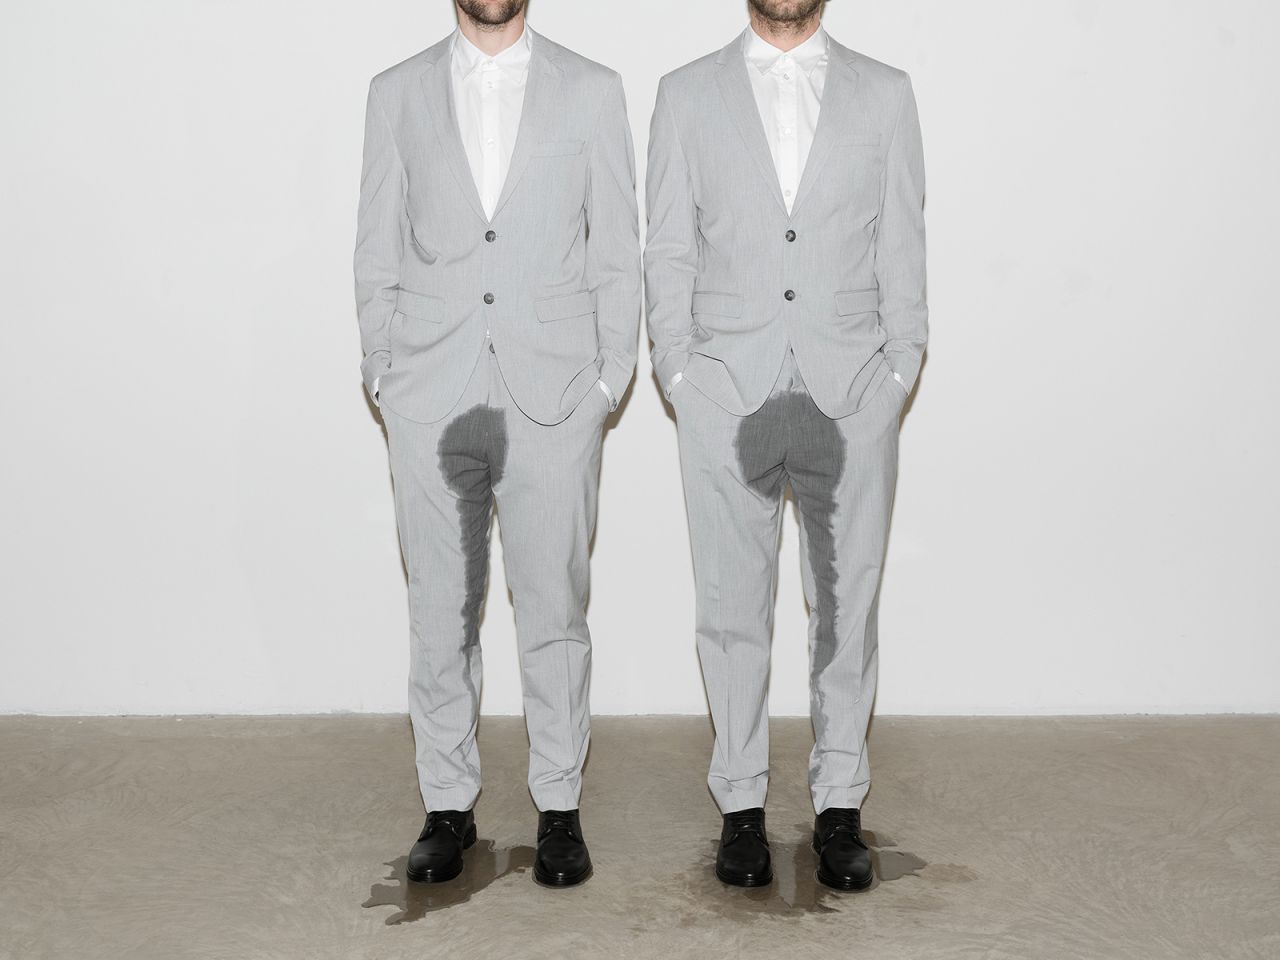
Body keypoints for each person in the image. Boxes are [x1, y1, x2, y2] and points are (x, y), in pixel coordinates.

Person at [354, 0, 640, 888]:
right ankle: (448, 805)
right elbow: (376, 249)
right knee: (441, 608)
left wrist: (607, 382)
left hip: (554, 394)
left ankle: (559, 805)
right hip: (430, 395)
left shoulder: (592, 90)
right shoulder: (396, 93)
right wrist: (383, 373)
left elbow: (616, 251)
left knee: (554, 609)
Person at [644, 0, 927, 890]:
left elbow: (903, 241)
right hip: (727, 392)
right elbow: (669, 247)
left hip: (852, 393)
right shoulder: (686, 95)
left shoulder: (886, 94)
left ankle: (840, 805)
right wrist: (680, 373)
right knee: (731, 610)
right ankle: (740, 806)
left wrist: (897, 371)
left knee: (845, 610)